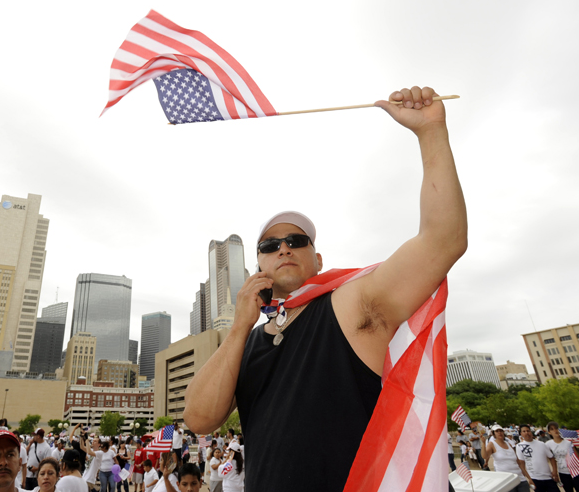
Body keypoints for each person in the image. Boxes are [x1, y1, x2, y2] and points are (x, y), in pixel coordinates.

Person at [184, 87, 467, 491]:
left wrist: (431, 133)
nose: (284, 247)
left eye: (297, 241)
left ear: (318, 260)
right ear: (258, 265)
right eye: (270, 245)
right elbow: (198, 419)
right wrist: (237, 327)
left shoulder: (349, 304)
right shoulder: (246, 342)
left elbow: (444, 240)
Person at [481, 425, 529, 492]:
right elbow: (485, 456)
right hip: (506, 479)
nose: (499, 432)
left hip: (519, 478)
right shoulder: (492, 444)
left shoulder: (508, 443)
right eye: (497, 431)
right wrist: (483, 443)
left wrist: (528, 478)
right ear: (493, 433)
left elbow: (519, 462)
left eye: (501, 430)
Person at [516, 424, 559, 492]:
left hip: (548, 477)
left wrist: (555, 472)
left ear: (531, 432)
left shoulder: (541, 444)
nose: (526, 433)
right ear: (521, 434)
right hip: (535, 478)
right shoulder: (519, 446)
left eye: (528, 431)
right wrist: (529, 479)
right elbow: (521, 464)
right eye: (524, 431)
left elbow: (552, 458)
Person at [546, 422, 579, 492]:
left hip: (574, 472)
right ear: (549, 432)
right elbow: (549, 458)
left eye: (556, 428)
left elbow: (578, 459)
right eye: (552, 429)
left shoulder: (568, 442)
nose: (555, 430)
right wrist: (554, 472)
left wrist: (572, 446)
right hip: (563, 473)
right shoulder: (548, 444)